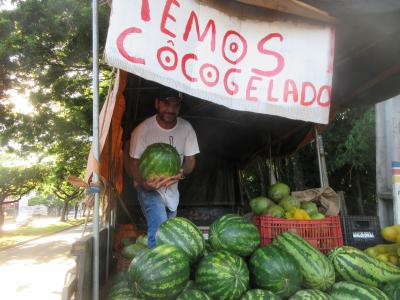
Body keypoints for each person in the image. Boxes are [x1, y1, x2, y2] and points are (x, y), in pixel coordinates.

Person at [128, 87, 200, 248]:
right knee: (160, 230)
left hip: (172, 191)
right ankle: (157, 269)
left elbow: (190, 160)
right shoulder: (142, 130)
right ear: (157, 103)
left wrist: (180, 173)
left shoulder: (186, 129)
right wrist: (144, 183)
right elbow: (133, 163)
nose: (170, 109)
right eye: (166, 104)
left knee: (170, 233)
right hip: (148, 189)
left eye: (175, 105)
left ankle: (166, 263)